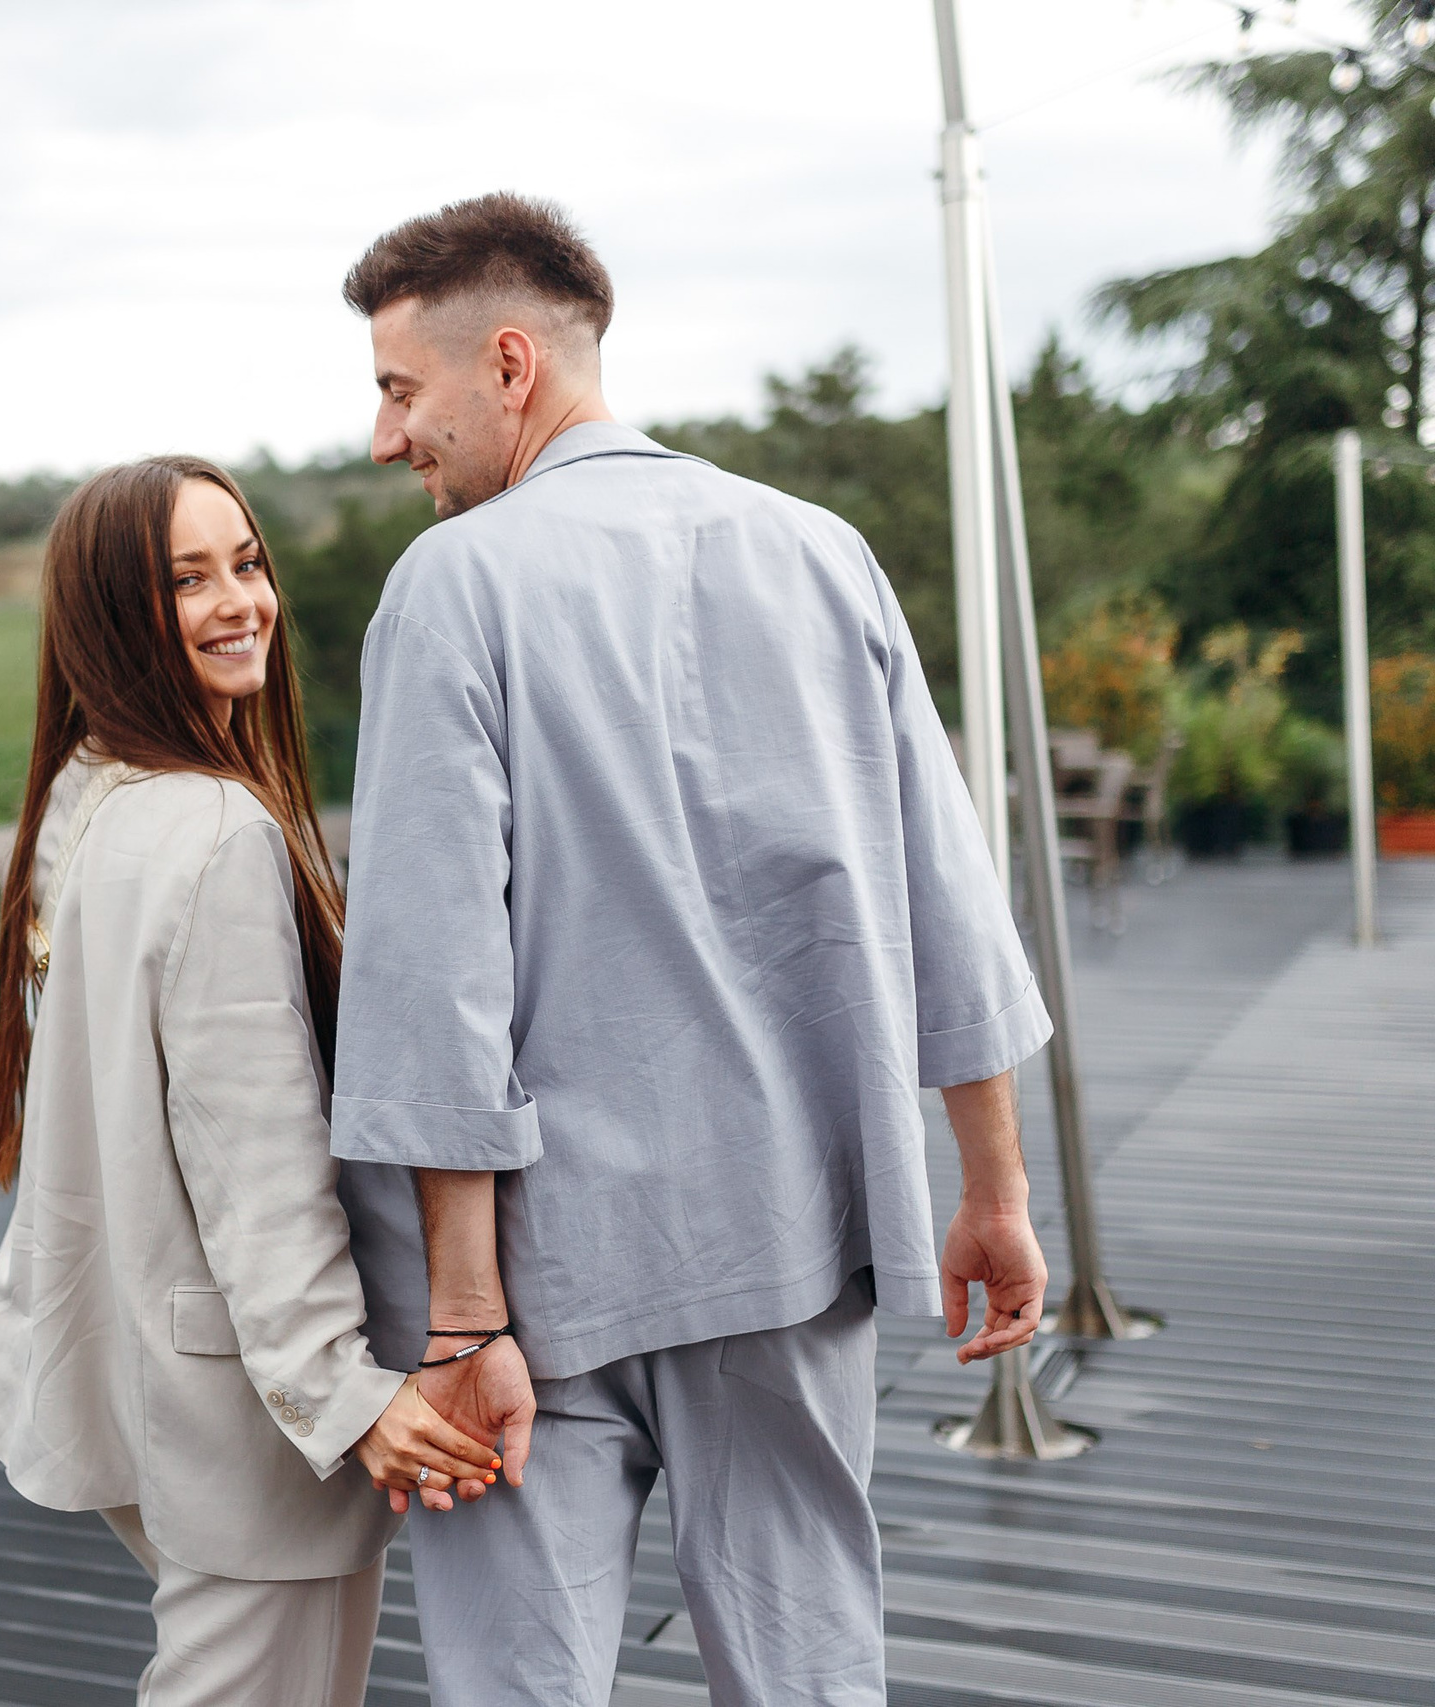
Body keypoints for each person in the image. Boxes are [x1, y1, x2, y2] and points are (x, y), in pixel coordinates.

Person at [326, 193, 1056, 1706]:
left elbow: (431, 983)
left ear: (508, 362)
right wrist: (994, 1190)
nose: (387, 437)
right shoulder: (822, 553)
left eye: (400, 389)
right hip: (787, 1239)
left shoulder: (451, 588)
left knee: (519, 1684)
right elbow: (946, 893)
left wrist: (460, 1319)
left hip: (535, 1287)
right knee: (808, 1675)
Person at [0, 455, 499, 1707]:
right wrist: (344, 1395)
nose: (238, 602)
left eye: (246, 564)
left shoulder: (85, 800)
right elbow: (255, 1160)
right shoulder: (217, 833)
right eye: (185, 581)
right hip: (244, 1410)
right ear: (114, 616)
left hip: (121, 1361)